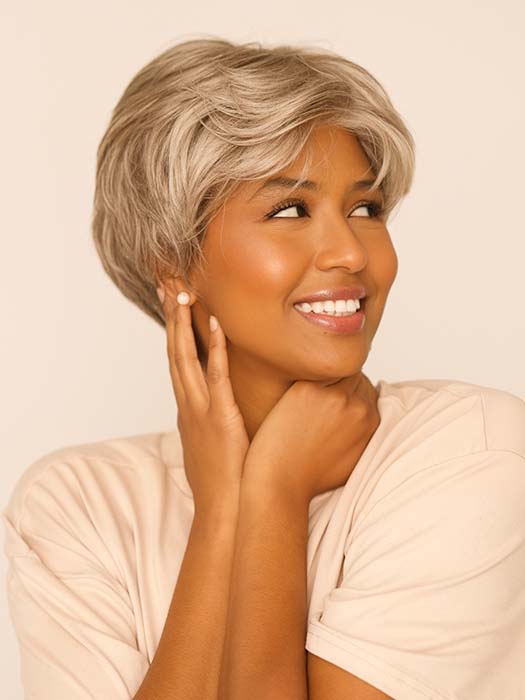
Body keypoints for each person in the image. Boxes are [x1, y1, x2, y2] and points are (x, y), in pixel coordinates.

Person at [2, 36, 524, 700]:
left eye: (365, 208)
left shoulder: (470, 450)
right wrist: (224, 508)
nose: (349, 253)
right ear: (172, 261)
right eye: (290, 210)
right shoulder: (79, 505)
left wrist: (273, 488)